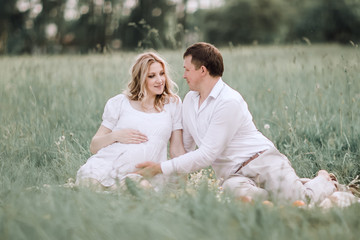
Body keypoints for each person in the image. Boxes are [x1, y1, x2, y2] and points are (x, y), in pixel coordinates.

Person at [136, 42, 336, 204]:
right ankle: (293, 185)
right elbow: (186, 150)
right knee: (247, 199)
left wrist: (160, 167)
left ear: (202, 70)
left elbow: (206, 155)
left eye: (187, 69)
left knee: (300, 201)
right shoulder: (188, 101)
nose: (183, 75)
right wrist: (171, 189)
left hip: (262, 161)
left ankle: (323, 180)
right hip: (232, 176)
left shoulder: (228, 101)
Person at [76, 52, 185, 190]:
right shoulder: (120, 103)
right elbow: (94, 146)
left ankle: (110, 192)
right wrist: (116, 136)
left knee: (137, 188)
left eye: (162, 73)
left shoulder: (172, 103)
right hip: (105, 165)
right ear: (140, 78)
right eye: (152, 76)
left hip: (141, 175)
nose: (160, 80)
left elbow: (176, 149)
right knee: (89, 186)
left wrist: (183, 184)